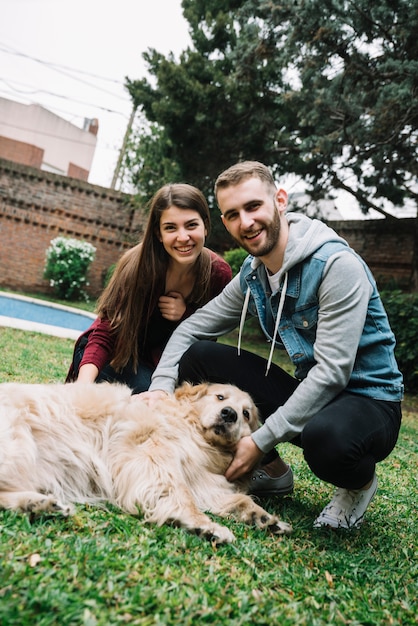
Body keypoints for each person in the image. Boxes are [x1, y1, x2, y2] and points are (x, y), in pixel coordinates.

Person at [139, 161, 403, 530]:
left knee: (326, 440)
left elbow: (332, 373)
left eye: (253, 207)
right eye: (232, 215)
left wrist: (259, 440)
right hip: (314, 393)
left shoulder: (335, 265)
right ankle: (272, 472)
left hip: (369, 400)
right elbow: (192, 329)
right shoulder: (254, 273)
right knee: (200, 356)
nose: (245, 222)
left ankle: (357, 485)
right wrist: (160, 390)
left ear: (280, 200)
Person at [66, 183, 232, 393]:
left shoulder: (217, 274)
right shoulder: (136, 267)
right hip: (112, 356)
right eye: (171, 227)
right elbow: (105, 332)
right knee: (151, 397)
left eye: (191, 225)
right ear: (158, 233)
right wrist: (83, 385)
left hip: (164, 367)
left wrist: (186, 315)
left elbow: (205, 343)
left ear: (206, 226)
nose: (183, 237)